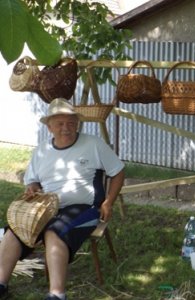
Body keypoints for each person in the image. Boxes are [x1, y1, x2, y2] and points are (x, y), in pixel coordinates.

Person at [0, 98, 125, 300]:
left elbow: (118, 172)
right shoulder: (41, 150)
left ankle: (57, 294)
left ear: (77, 124)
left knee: (54, 232)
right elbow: (32, 181)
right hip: (46, 208)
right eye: (60, 123)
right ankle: (1, 284)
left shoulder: (93, 144)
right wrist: (32, 189)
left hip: (85, 208)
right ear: (49, 127)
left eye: (71, 123)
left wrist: (108, 202)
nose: (66, 128)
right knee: (14, 230)